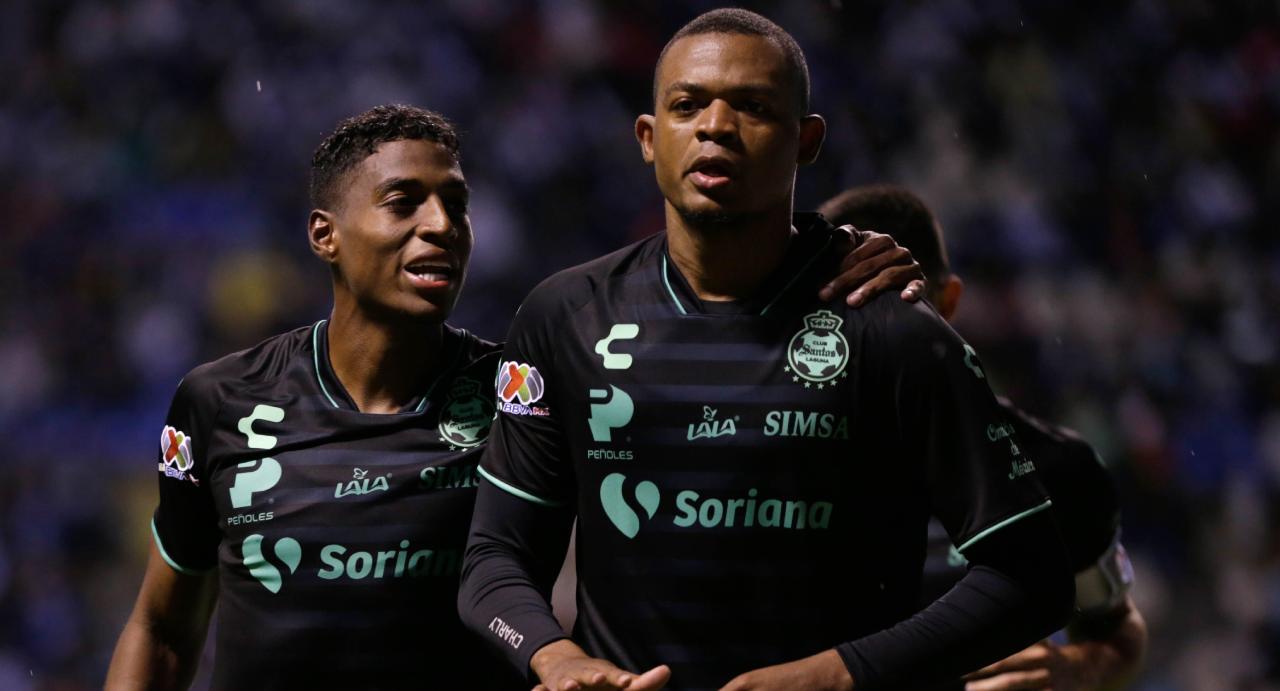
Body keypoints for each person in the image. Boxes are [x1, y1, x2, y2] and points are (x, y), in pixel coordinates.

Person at [104, 103, 925, 690]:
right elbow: (161, 629)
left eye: (455, 204)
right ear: (325, 234)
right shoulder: (217, 402)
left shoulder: (521, 394)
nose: (442, 225)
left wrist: (827, 249)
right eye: (405, 202)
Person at [458, 8, 1075, 691]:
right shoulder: (564, 316)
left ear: (806, 140)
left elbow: (1033, 573)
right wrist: (555, 655)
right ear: (648, 136)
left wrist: (840, 673)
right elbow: (494, 556)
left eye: (752, 106)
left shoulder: (892, 326)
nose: (716, 126)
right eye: (688, 105)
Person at [820, 184, 1147, 691]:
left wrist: (1082, 667)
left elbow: (1117, 630)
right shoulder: (753, 455)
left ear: (947, 302)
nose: (875, 337)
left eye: (898, 313)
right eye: (851, 311)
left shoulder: (1055, 470)